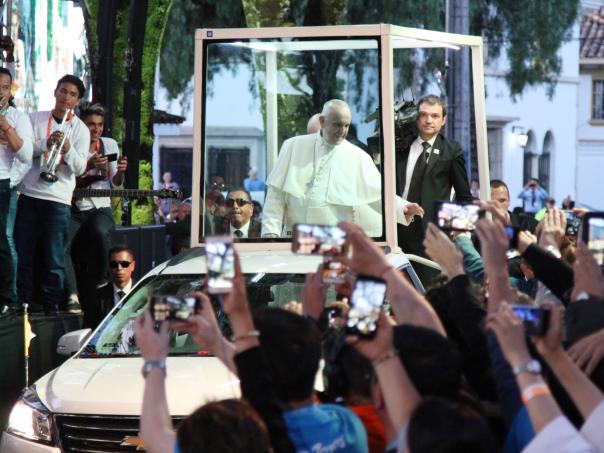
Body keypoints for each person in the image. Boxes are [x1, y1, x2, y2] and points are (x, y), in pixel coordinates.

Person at [15, 74, 89, 314]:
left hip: (58, 200)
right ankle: (23, 301)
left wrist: (67, 150)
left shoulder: (80, 129)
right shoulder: (34, 118)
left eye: (72, 94)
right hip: (29, 193)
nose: (66, 97)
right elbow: (24, 150)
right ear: (55, 92)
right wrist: (46, 143)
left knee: (54, 256)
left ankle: (52, 304)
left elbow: (80, 168)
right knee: (23, 250)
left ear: (77, 101)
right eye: (63, 91)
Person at [262, 99, 383, 238]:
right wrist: (270, 234)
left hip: (333, 242)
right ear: (322, 121)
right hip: (293, 240)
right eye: (337, 125)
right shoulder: (292, 146)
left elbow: (379, 197)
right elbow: (275, 197)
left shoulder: (358, 156)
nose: (342, 131)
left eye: (346, 125)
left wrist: (401, 208)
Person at [395, 94, 472, 282]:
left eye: (435, 116)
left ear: (443, 120)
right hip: (398, 230)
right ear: (417, 117)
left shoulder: (451, 150)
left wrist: (459, 237)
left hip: (433, 235)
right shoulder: (400, 148)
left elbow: (464, 196)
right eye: (423, 115)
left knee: (429, 290)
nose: (428, 120)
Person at [64, 103, 128, 313]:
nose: (96, 129)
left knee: (100, 230)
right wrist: (89, 167)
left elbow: (115, 183)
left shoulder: (109, 145)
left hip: (101, 206)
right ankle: (72, 295)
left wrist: (121, 172)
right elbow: (67, 179)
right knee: (62, 244)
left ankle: (103, 280)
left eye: (100, 125)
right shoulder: (73, 144)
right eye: (91, 124)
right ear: (82, 125)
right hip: (74, 206)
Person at [0, 67, 33, 315]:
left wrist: (6, 128)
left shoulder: (17, 117)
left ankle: (8, 297)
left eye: (4, 87)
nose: (0, 92)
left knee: (4, 240)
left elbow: (25, 155)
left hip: (3, 181)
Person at [90, 246, 136, 328]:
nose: (119, 268)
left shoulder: (145, 293)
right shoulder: (97, 297)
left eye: (124, 264)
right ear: (109, 267)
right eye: (114, 264)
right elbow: (90, 328)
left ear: (132, 266)